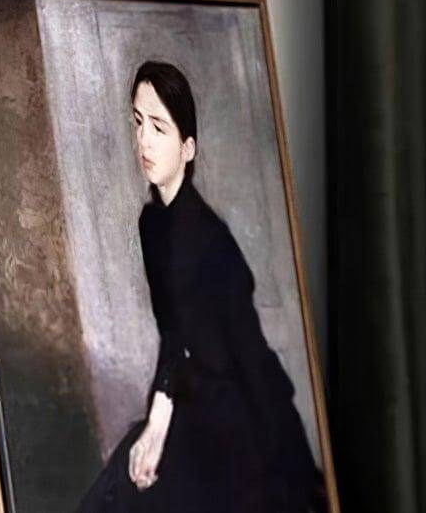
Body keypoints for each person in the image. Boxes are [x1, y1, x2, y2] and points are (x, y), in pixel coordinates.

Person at [77, 61, 326, 511]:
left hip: (231, 414)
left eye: (159, 128)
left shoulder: (210, 238)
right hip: (186, 396)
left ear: (188, 148)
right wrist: (157, 417)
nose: (144, 141)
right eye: (137, 122)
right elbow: (173, 334)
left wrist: (161, 421)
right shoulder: (152, 224)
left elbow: (242, 354)